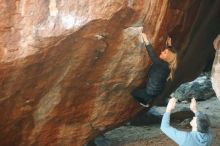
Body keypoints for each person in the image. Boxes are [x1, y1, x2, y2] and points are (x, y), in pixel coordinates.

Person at [131, 32, 177, 107]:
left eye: (164, 53)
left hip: (149, 92)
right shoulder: (169, 65)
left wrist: (145, 39)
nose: (162, 52)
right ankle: (149, 99)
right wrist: (169, 45)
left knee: (134, 93)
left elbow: (152, 54)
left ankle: (145, 102)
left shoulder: (160, 65)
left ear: (167, 57)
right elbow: (171, 53)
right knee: (149, 93)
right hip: (158, 91)